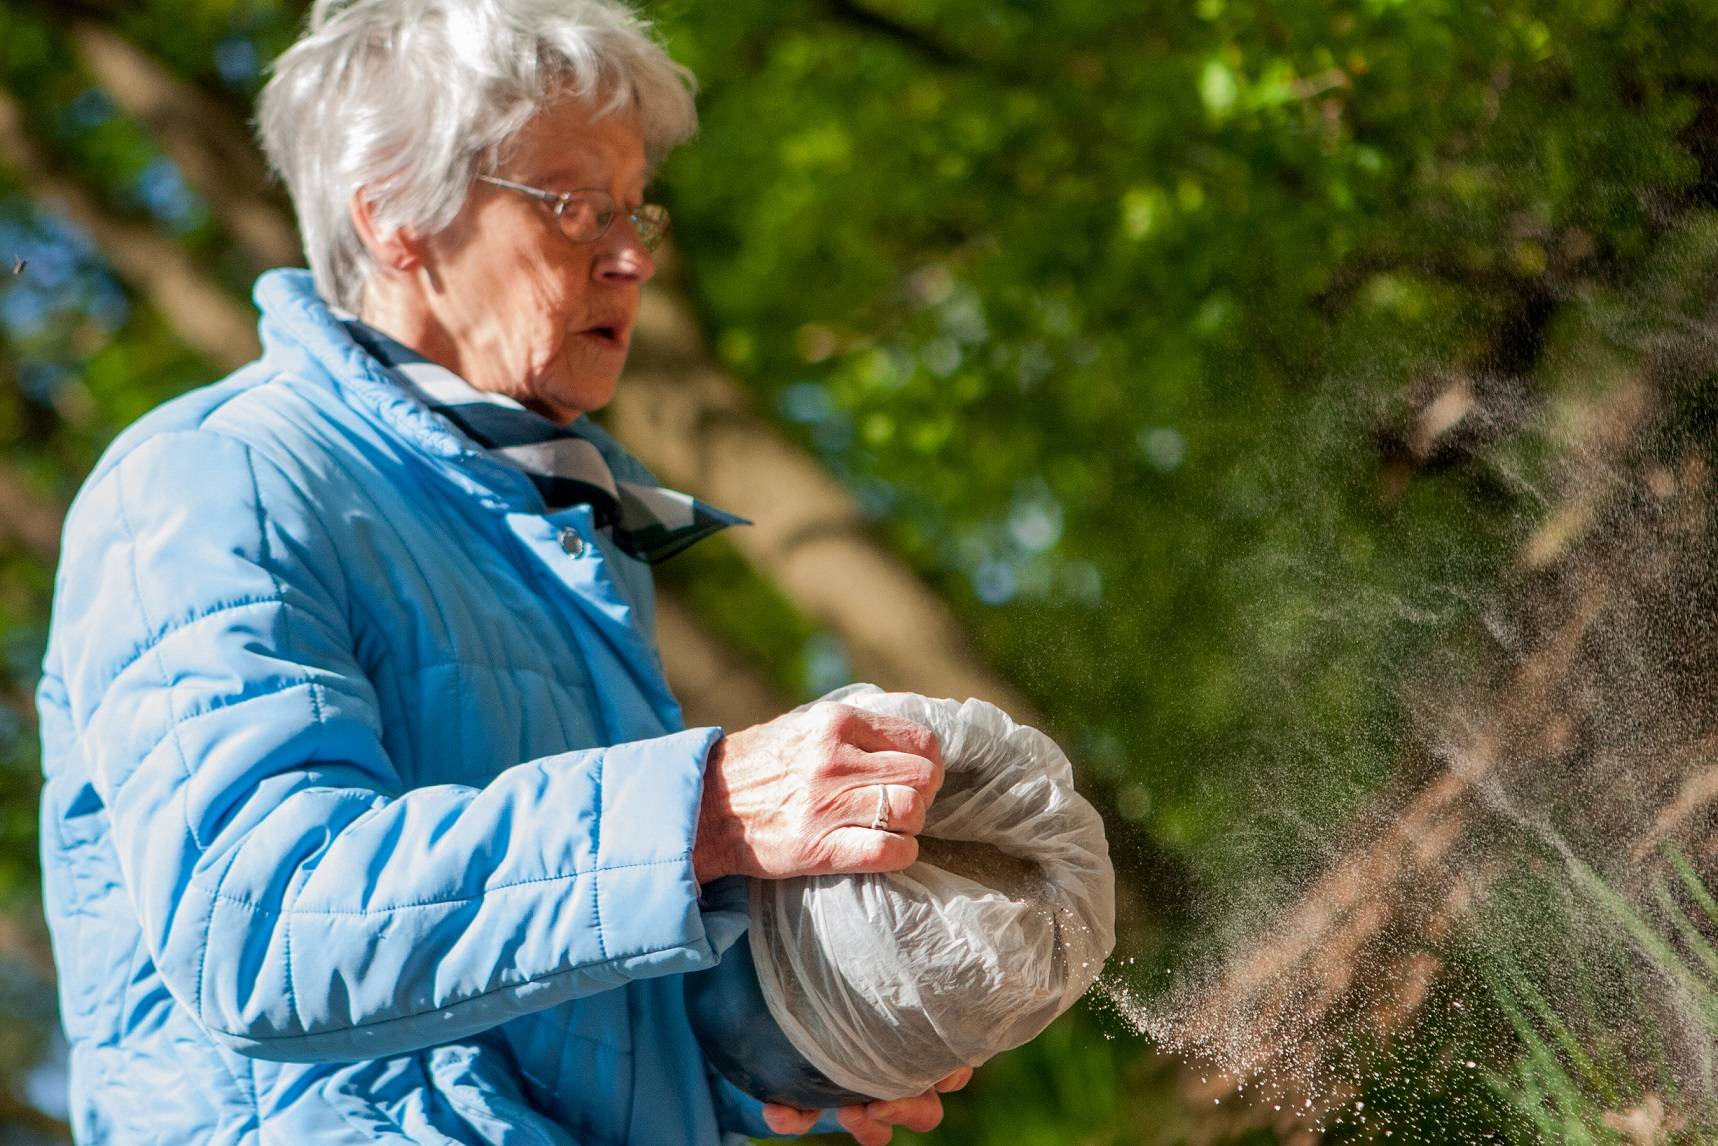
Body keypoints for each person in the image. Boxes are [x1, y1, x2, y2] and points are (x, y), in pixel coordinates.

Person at [35, 1, 969, 1141]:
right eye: (573, 207)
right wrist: (702, 811)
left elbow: (557, 974)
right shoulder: (208, 480)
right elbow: (261, 921)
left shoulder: (561, 530)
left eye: (636, 212)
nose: (629, 259)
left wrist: (795, 1041)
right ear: (396, 223)